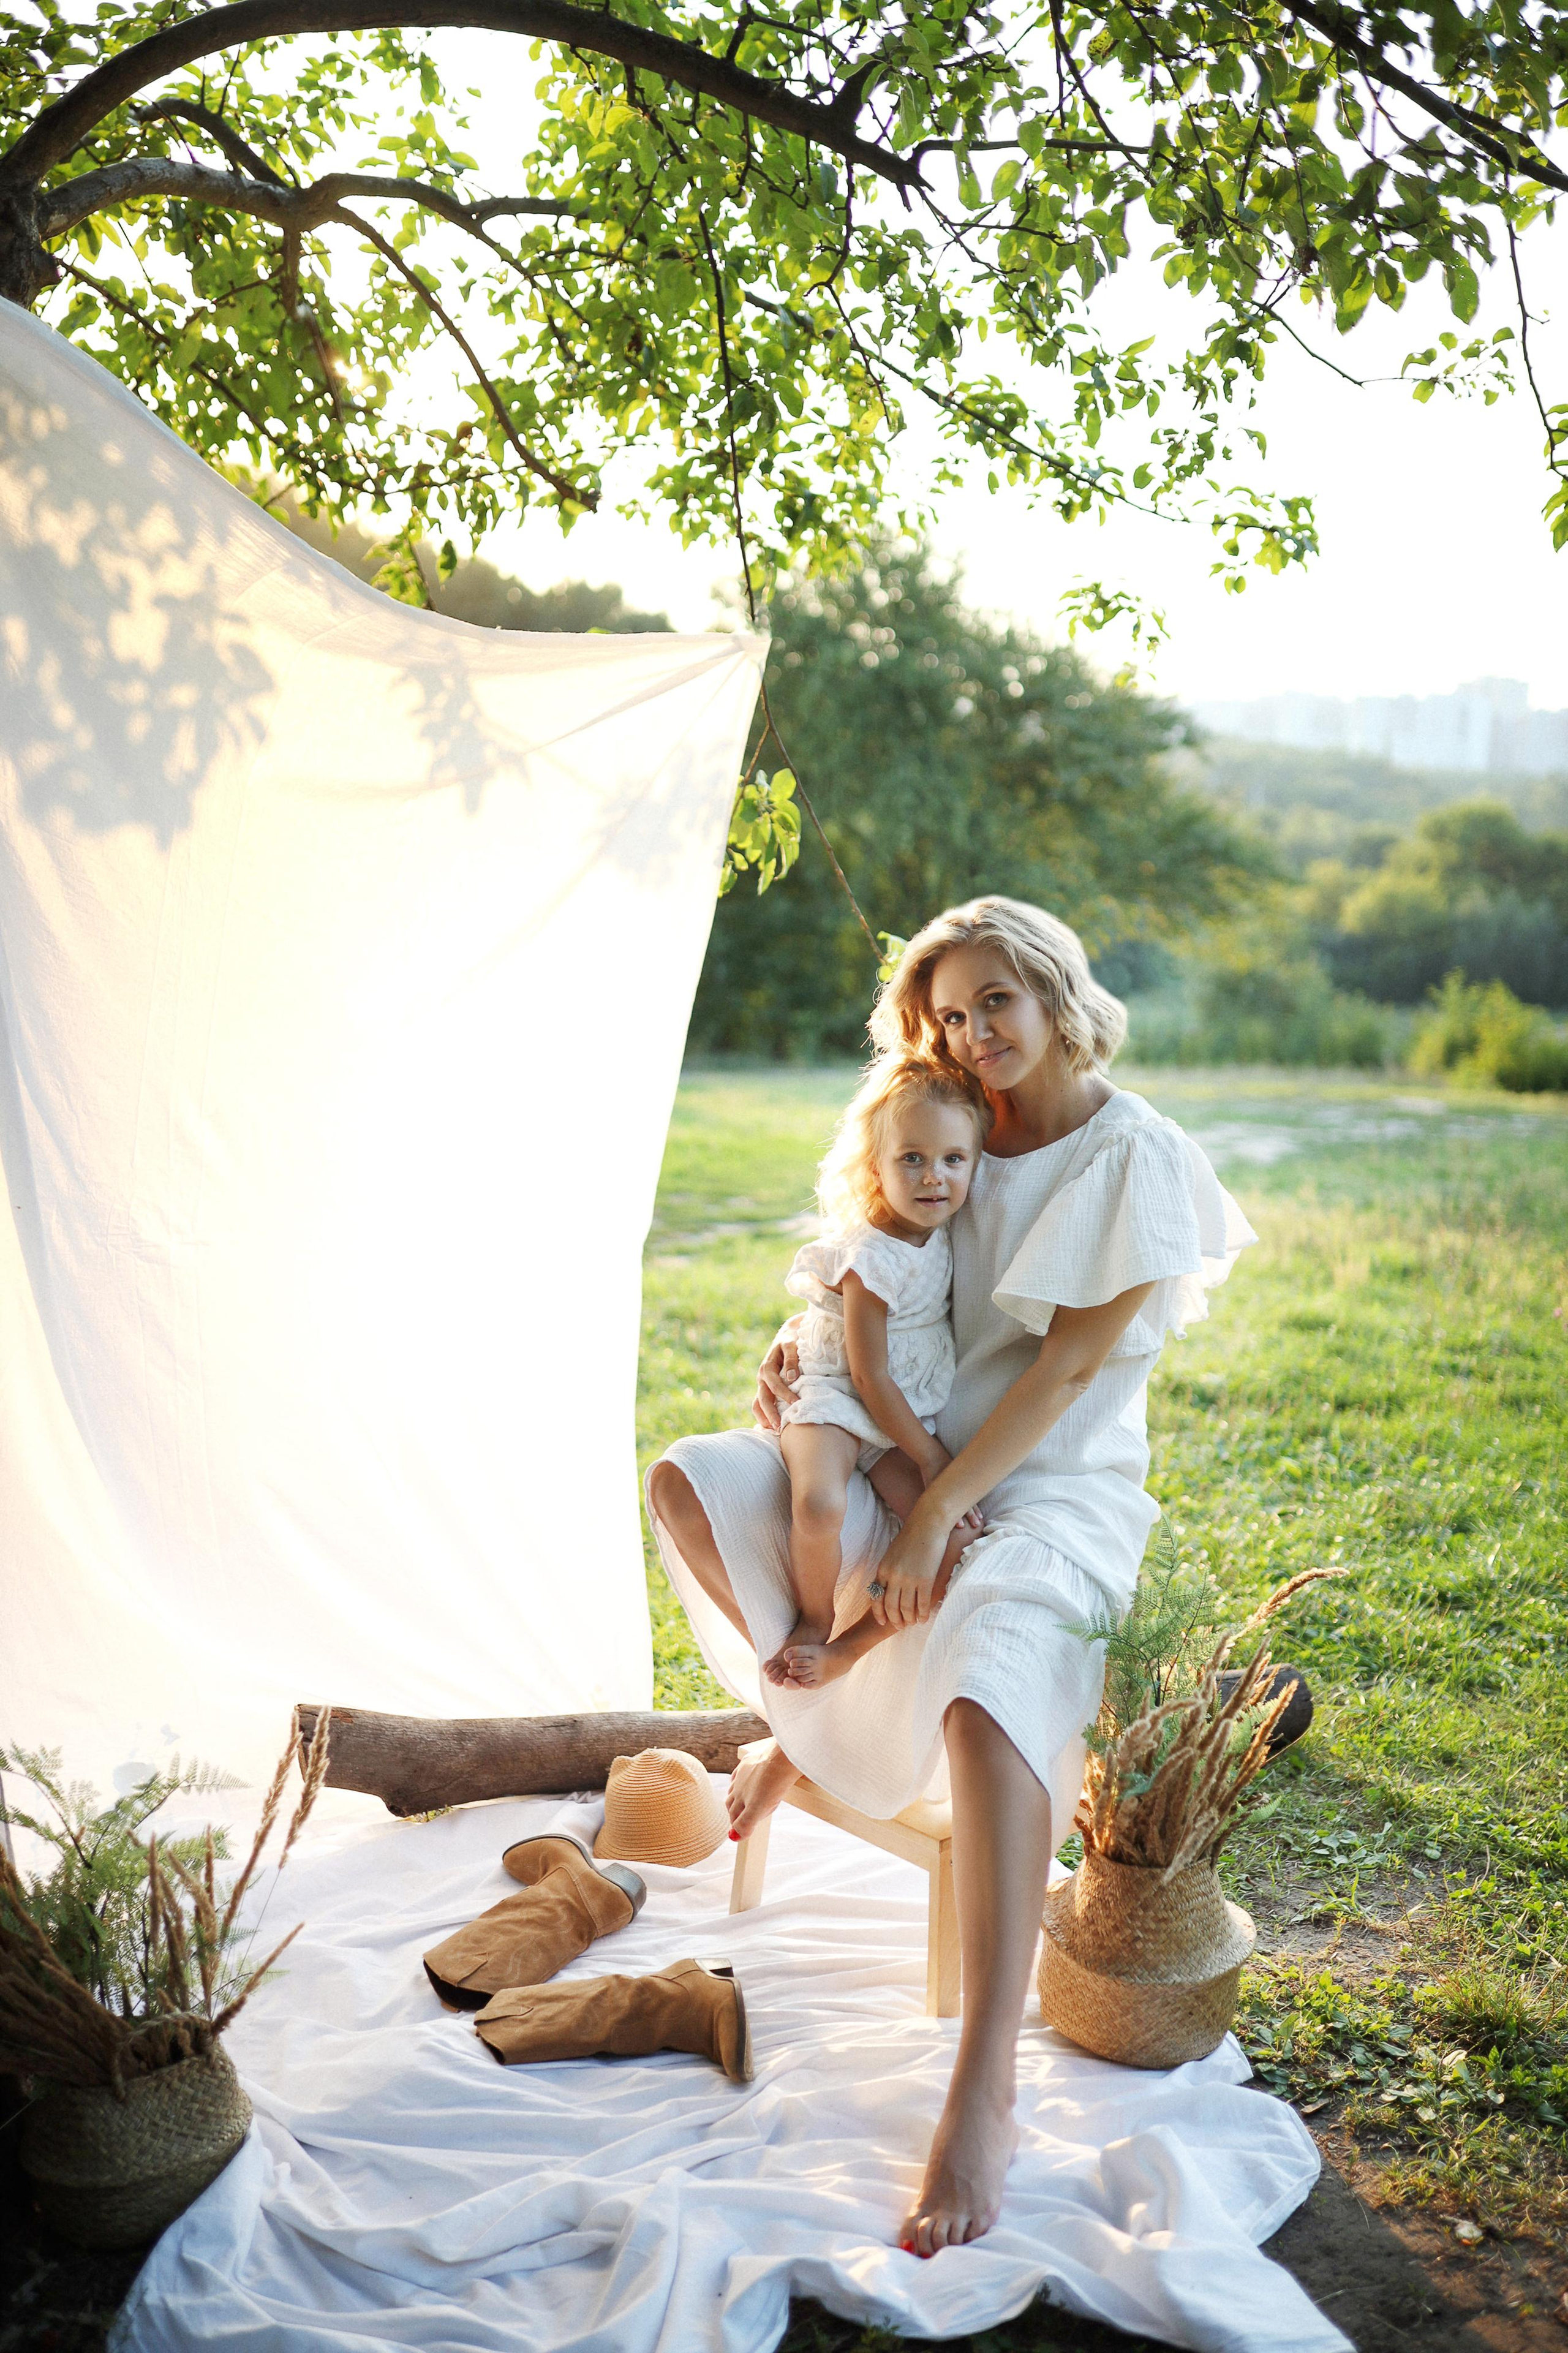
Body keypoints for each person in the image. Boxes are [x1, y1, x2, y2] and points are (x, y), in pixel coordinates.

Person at [646, 895, 1255, 2259]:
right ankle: (814, 1718)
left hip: (1048, 1485)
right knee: (697, 1478)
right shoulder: (943, 1122)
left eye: (994, 1001)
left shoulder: (1132, 1157)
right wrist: (800, 1352)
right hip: (903, 1449)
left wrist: (935, 1515)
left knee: (987, 1664)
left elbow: (1064, 1371)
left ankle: (981, 2087)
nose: (969, 1032)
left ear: (1050, 993)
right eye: (946, 1011)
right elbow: (872, 1264)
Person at [764, 1056, 989, 1692]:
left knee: (955, 1538)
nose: (933, 1178)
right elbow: (867, 1375)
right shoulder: (872, 1255)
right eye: (911, 1159)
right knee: (818, 1501)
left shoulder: (944, 1231)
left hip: (898, 1415)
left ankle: (854, 1647)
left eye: (953, 1159)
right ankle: (814, 1618)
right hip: (838, 1399)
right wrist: (929, 1457)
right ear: (875, 1169)